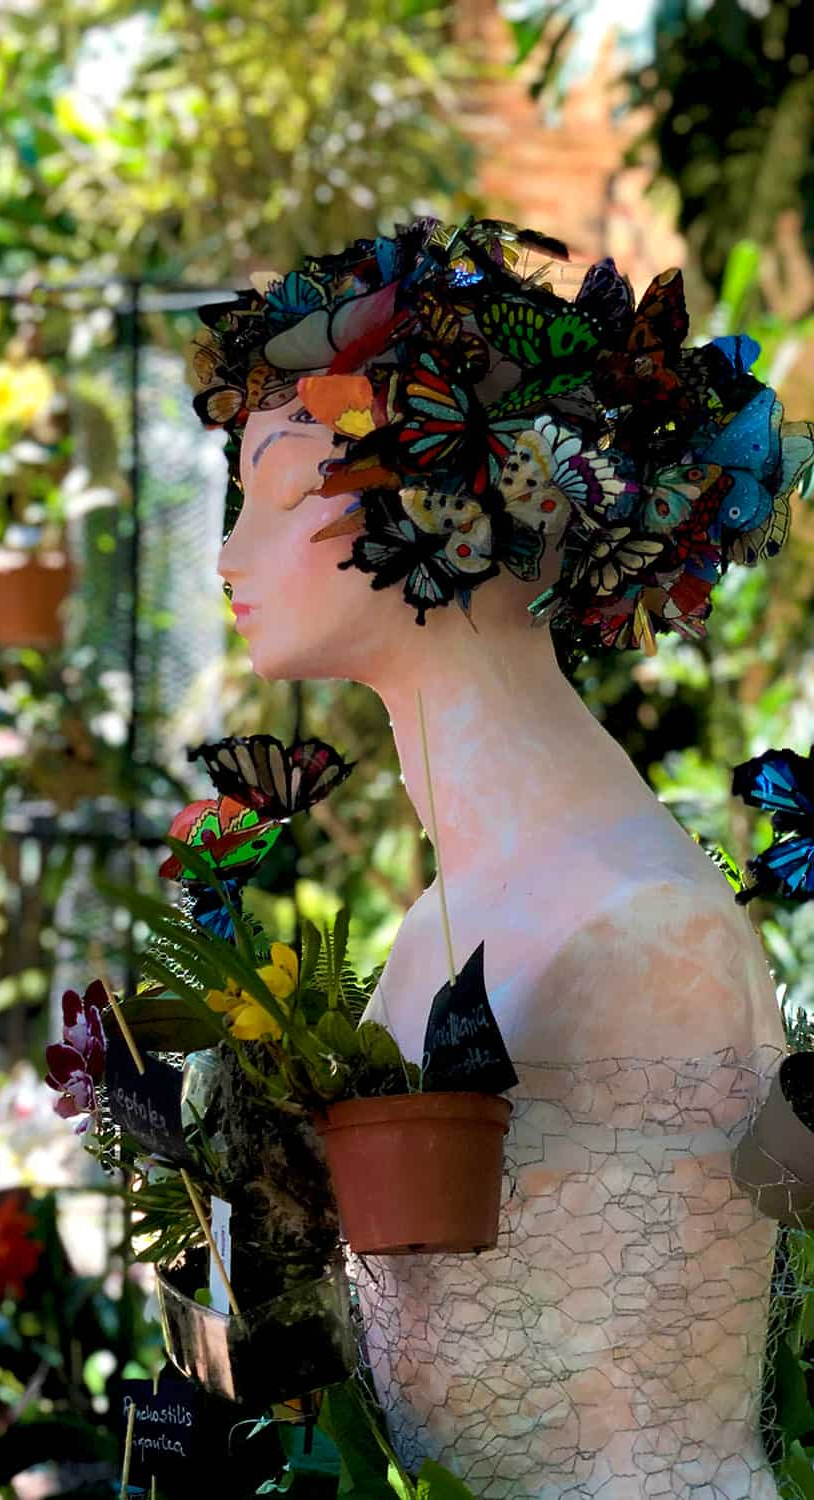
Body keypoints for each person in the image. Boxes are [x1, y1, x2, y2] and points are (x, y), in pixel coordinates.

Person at [198, 219, 804, 1496]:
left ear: (442, 509)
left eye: (285, 490)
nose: (226, 554)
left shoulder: (642, 936)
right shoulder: (435, 934)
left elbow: (661, 1461)